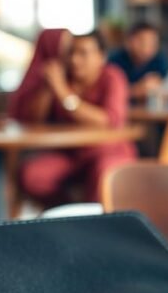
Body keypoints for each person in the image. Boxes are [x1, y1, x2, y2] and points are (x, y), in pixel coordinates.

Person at [16, 31, 137, 206]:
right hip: (70, 154)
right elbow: (34, 119)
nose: (74, 60)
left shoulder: (113, 77)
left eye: (83, 53)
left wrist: (62, 93)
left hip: (108, 151)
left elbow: (109, 120)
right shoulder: (62, 78)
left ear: (101, 57)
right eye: (71, 52)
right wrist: (49, 87)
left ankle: (93, 218)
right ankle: (68, 211)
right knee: (32, 176)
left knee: (104, 174)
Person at [8, 28, 72, 121]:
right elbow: (32, 119)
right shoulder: (39, 75)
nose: (73, 57)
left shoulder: (74, 74)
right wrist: (51, 85)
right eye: (67, 47)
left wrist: (61, 89)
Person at [108, 21, 168, 104]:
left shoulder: (160, 60)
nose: (146, 47)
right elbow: (108, 92)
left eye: (152, 43)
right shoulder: (115, 62)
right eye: (142, 41)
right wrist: (136, 90)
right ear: (128, 42)